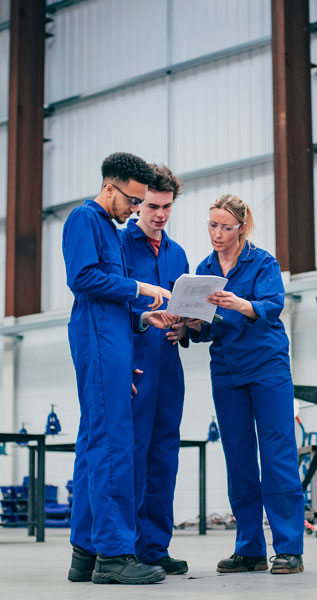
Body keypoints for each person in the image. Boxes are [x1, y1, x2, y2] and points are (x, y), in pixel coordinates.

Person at [63, 152, 178, 585]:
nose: (135, 210)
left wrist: (141, 317)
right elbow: (84, 279)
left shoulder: (108, 229)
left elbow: (109, 305)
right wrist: (139, 286)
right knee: (113, 443)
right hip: (96, 341)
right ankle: (113, 555)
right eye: (132, 200)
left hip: (112, 338)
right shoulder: (85, 219)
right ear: (111, 187)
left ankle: (85, 553)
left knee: (96, 444)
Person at [187, 193, 305, 575]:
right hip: (226, 370)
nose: (217, 233)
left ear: (241, 227)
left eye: (225, 227)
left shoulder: (262, 262)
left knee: (277, 453)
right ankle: (249, 547)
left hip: (267, 367)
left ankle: (288, 548)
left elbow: (272, 306)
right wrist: (190, 325)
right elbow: (206, 327)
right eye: (212, 225)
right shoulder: (203, 270)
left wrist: (240, 303)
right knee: (238, 457)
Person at [120, 164, 189, 575]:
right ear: (137, 203)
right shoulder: (120, 245)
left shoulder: (178, 252)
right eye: (152, 206)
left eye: (167, 207)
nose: (159, 214)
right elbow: (112, 303)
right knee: (133, 454)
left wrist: (184, 326)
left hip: (168, 361)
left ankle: (155, 547)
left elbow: (182, 304)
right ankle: (123, 547)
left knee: (164, 454)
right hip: (135, 359)